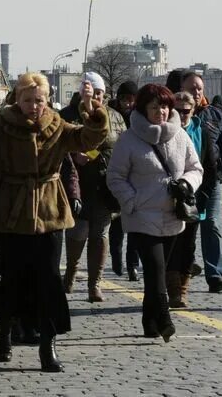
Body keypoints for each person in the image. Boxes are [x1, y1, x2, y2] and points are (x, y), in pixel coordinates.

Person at [0, 72, 107, 372]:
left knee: (49, 279)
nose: (34, 106)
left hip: (49, 209)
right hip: (12, 213)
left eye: (39, 100)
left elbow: (88, 138)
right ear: (17, 99)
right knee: (12, 277)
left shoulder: (56, 124)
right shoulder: (2, 125)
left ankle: (48, 346)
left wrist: (91, 108)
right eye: (28, 100)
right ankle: (5, 331)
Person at [107, 83, 203, 342]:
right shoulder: (128, 139)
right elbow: (115, 176)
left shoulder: (180, 136)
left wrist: (186, 183)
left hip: (172, 214)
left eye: (164, 106)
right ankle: (164, 318)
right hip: (141, 216)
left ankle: (149, 321)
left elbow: (196, 168)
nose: (160, 111)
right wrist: (131, 201)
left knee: (156, 273)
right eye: (154, 107)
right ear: (143, 109)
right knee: (155, 268)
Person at [63, 74, 127, 302]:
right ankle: (71, 271)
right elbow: (60, 145)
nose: (96, 97)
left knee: (100, 234)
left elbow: (122, 147)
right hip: (77, 185)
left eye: (100, 93)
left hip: (105, 185)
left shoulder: (116, 117)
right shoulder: (68, 115)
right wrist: (73, 155)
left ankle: (94, 284)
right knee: (77, 233)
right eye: (92, 93)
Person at [180, 71, 222, 293]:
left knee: (211, 224)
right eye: (192, 87)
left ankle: (215, 274)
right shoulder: (176, 114)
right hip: (184, 180)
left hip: (211, 179)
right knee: (185, 226)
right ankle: (184, 268)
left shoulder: (214, 114)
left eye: (200, 87)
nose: (197, 91)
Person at [165, 92, 207, 309]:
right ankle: (172, 290)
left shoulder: (201, 130)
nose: (182, 115)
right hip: (168, 197)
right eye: (177, 110)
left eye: (186, 110)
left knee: (189, 245)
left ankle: (182, 289)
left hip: (194, 195)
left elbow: (209, 163)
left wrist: (206, 195)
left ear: (194, 109)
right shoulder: (165, 131)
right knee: (173, 244)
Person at [108, 81, 139, 279]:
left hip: (135, 173)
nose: (128, 103)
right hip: (115, 172)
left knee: (135, 223)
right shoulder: (109, 114)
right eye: (125, 99)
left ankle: (133, 265)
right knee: (117, 222)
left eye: (131, 100)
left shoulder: (139, 117)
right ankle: (116, 258)